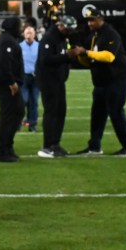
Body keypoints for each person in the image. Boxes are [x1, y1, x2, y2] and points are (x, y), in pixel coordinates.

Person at [75, 5, 126, 156]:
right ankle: (94, 146)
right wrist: (80, 56)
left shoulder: (111, 34)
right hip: (101, 81)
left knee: (116, 111)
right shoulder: (92, 36)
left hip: (117, 79)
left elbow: (109, 56)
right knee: (97, 114)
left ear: (100, 19)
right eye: (88, 21)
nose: (90, 23)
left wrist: (87, 52)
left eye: (92, 20)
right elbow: (88, 62)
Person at [36, 15, 82, 158]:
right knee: (51, 113)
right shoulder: (49, 38)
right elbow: (46, 59)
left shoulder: (62, 38)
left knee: (60, 112)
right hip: (49, 81)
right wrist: (68, 56)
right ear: (60, 26)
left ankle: (55, 144)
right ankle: (47, 146)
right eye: (67, 29)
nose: (69, 32)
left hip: (58, 81)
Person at [0, 16, 24, 162]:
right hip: (7, 86)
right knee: (9, 116)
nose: (21, 28)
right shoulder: (7, 41)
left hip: (8, 85)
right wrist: (11, 82)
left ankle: (7, 147)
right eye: (19, 26)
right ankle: (3, 150)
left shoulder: (7, 39)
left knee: (16, 113)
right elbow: (4, 63)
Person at [20, 25, 40, 132]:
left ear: (35, 34)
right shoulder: (19, 46)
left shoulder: (39, 46)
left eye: (31, 33)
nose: (29, 35)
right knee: (23, 100)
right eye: (27, 33)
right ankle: (20, 120)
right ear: (23, 34)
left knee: (34, 101)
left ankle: (32, 124)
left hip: (35, 77)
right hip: (23, 76)